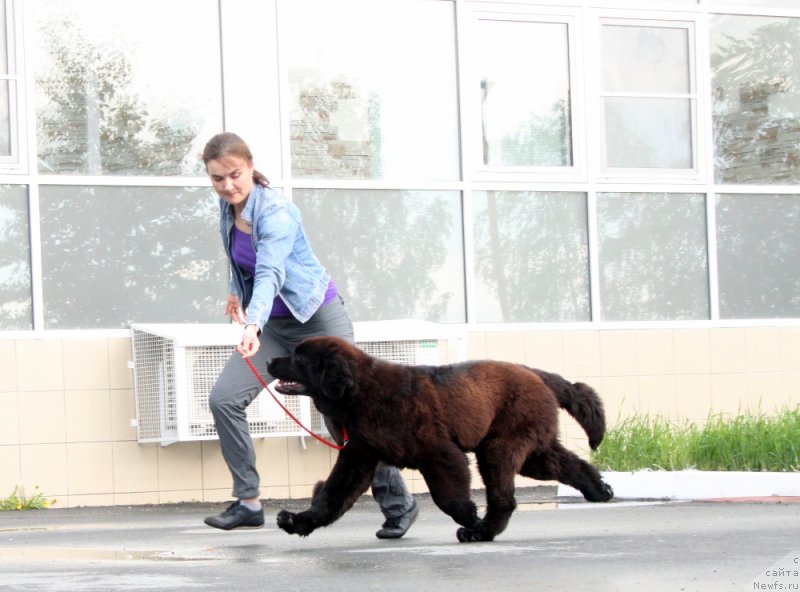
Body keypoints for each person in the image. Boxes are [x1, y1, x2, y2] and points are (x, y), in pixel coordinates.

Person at [201, 132, 419, 539]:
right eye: (217, 179)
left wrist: (252, 324)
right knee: (224, 399)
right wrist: (235, 290)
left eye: (235, 175)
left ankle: (399, 504)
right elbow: (239, 258)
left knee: (352, 418)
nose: (227, 185)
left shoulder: (278, 212)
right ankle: (248, 501)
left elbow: (270, 271)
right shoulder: (227, 206)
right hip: (277, 328)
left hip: (318, 322)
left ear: (250, 166)